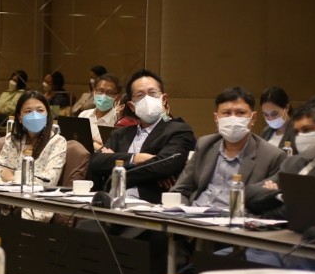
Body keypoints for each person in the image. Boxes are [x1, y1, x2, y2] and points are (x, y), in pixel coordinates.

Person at [87, 69, 195, 204]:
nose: (147, 99)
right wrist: (136, 158)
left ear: (163, 99)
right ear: (132, 106)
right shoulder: (120, 134)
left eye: (152, 93)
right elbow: (96, 162)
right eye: (140, 95)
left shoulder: (178, 131)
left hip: (149, 207)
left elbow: (164, 166)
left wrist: (116, 168)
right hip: (111, 204)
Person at [169, 86, 286, 207]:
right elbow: (180, 190)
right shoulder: (205, 145)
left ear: (253, 118)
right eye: (226, 113)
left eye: (240, 113)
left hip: (234, 216)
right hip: (194, 213)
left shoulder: (272, 156)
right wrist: (180, 210)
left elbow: (269, 203)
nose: (233, 118)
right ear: (216, 118)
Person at [0, 91, 68, 222]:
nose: (35, 115)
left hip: (36, 204)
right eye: (28, 111)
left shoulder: (57, 141)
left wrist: (12, 178)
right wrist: (9, 178)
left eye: (40, 110)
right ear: (19, 117)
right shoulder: (13, 140)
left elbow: (48, 180)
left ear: (47, 114)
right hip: (7, 199)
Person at [77, 73, 121, 149]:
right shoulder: (83, 115)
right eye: (100, 90)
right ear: (94, 91)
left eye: (110, 92)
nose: (104, 95)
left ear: (117, 97)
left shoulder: (118, 121)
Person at [258, 86, 297, 151]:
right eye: (266, 115)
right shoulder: (266, 132)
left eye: (274, 114)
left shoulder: (297, 131)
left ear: (286, 108)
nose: (270, 118)